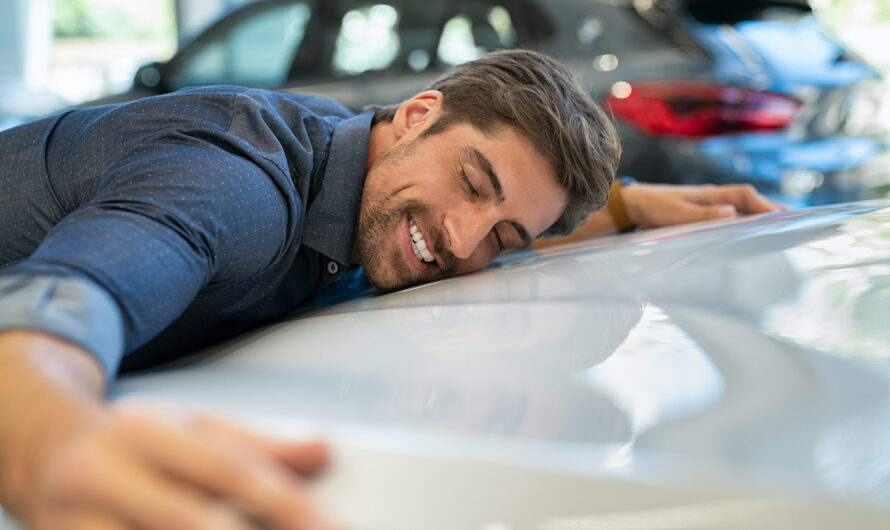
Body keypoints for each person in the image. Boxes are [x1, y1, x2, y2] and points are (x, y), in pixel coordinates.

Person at [0, 49, 782, 529]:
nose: (466, 242)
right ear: (417, 115)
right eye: (474, 183)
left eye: (507, 239)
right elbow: (60, 304)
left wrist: (627, 204)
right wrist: (50, 441)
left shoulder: (373, 166)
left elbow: (500, 216)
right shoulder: (237, 184)